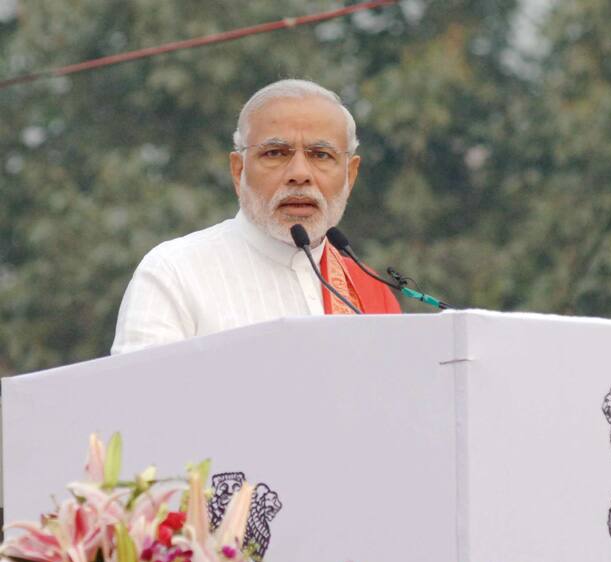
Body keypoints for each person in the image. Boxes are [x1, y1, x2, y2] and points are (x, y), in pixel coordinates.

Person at [111, 79, 400, 355]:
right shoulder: (175, 272)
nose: (300, 174)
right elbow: (138, 402)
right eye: (275, 153)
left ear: (351, 174)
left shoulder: (369, 291)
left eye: (321, 155)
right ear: (239, 171)